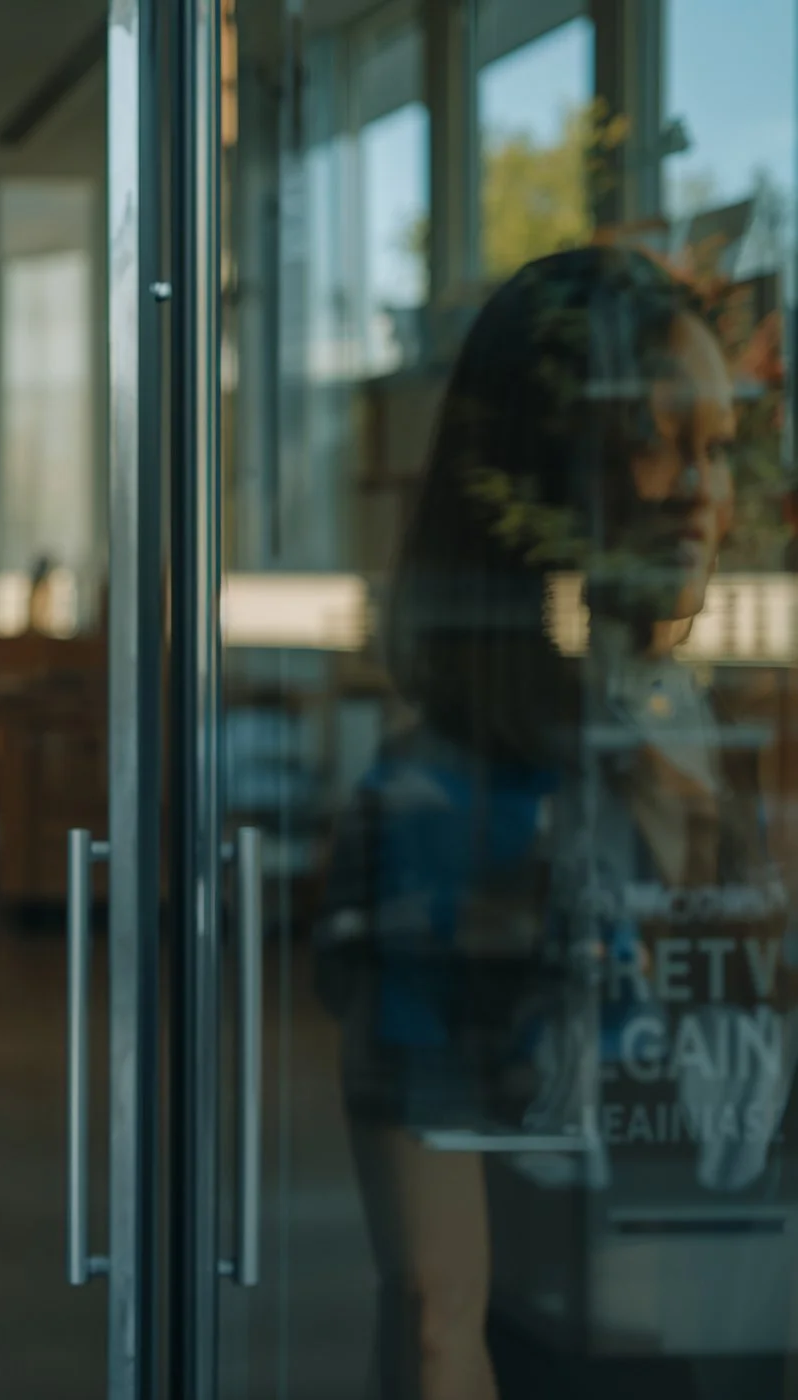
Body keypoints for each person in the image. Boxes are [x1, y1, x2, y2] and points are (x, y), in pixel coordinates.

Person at [320, 245, 794, 1399]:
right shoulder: (441, 808)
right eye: (652, 437)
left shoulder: (735, 768)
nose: (696, 486)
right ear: (549, 468)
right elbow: (439, 1310)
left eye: (717, 448)